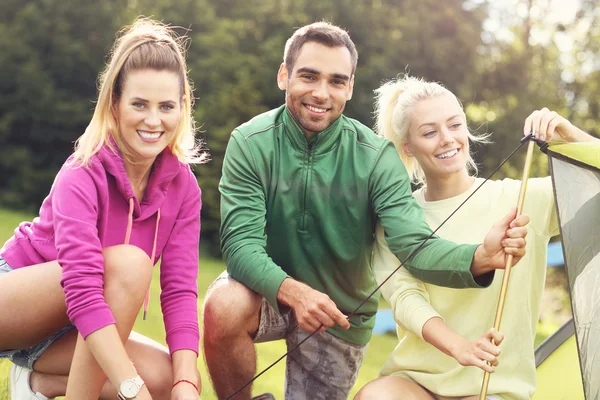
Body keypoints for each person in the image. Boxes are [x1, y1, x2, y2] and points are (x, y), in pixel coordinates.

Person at [202, 23, 528, 400]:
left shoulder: (376, 157)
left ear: (351, 87)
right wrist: (294, 293)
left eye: (337, 81)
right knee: (223, 304)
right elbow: (241, 248)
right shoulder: (250, 141)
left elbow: (414, 247)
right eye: (308, 76)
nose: (321, 93)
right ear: (284, 76)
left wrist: (480, 256)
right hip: (271, 295)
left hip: (339, 318)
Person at [354, 76, 599, 400]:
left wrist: (570, 136)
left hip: (493, 387)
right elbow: (405, 299)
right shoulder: (397, 216)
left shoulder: (525, 196)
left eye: (454, 125)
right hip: (417, 381)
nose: (446, 139)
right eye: (429, 132)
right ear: (408, 147)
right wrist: (460, 348)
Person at [0, 18, 207, 400]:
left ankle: (37, 384)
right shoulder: (82, 170)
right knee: (130, 264)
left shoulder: (184, 189)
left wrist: (186, 382)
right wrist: (132, 389)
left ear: (182, 108)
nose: (153, 120)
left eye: (166, 106)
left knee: (163, 378)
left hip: (67, 331)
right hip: (17, 298)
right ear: (114, 103)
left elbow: (179, 291)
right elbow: (81, 288)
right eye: (139, 104)